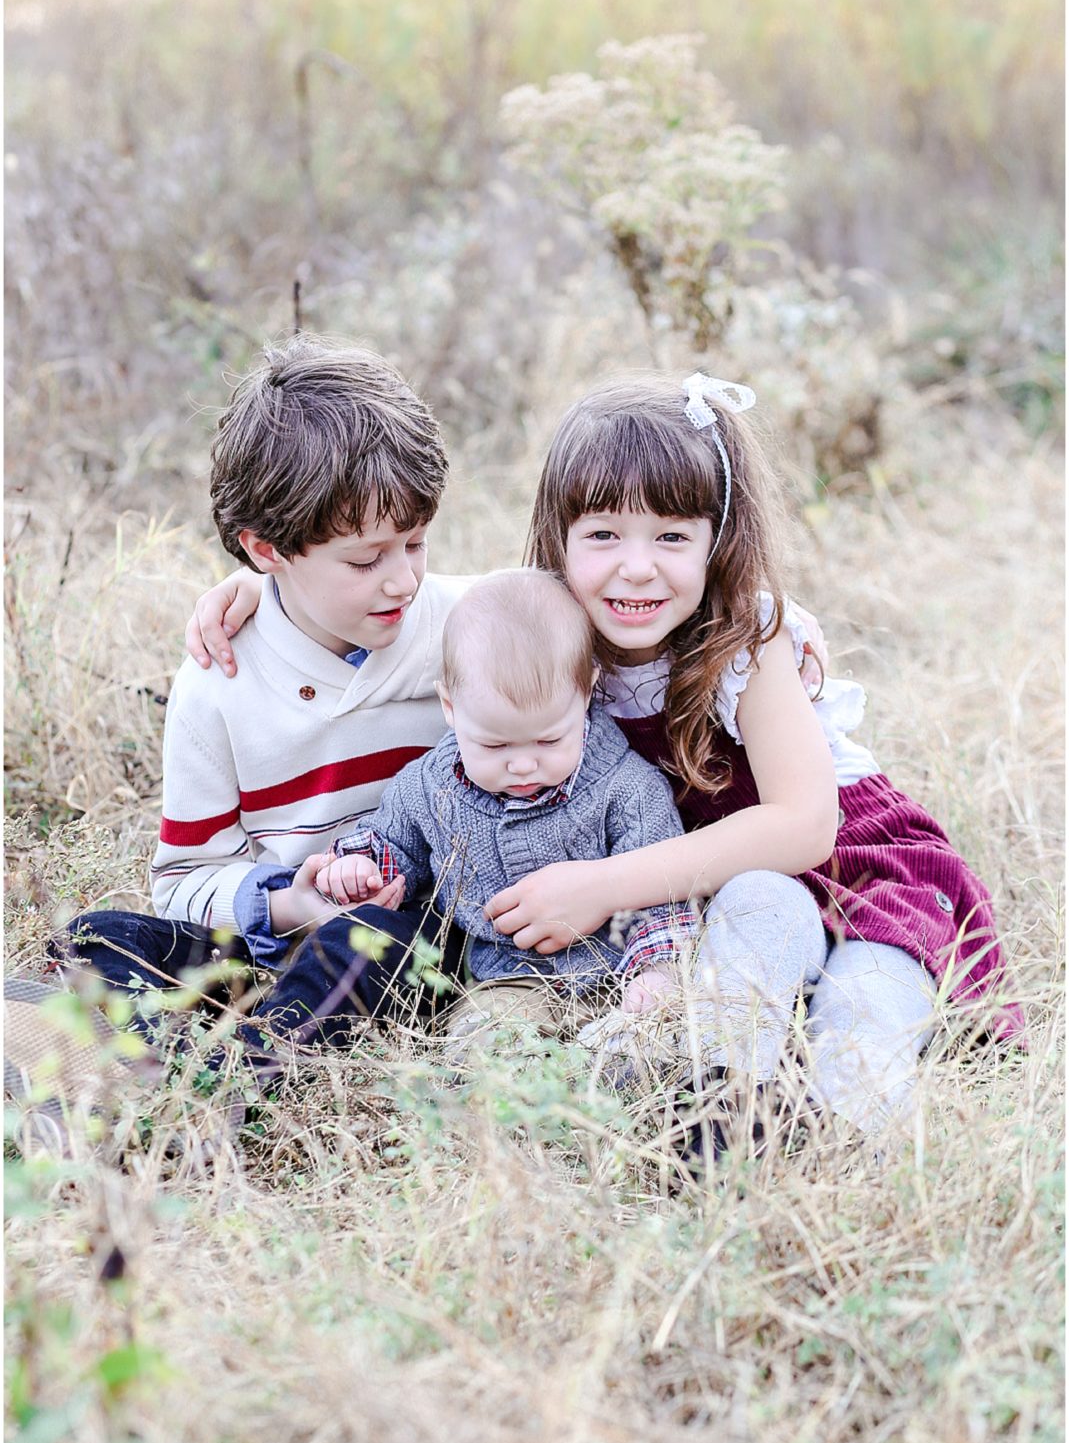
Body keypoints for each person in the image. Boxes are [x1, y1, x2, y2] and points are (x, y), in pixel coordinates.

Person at [186, 370, 1023, 1141]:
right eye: (603, 533)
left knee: (863, 1020)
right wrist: (267, 594)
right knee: (738, 978)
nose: (635, 567)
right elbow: (422, 603)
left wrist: (598, 887)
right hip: (723, 889)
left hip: (855, 870)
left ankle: (854, 1160)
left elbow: (806, 827)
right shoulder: (551, 631)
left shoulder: (747, 644)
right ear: (556, 541)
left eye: (670, 536)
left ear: (715, 540)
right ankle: (726, 1116)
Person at [54, 334, 478, 1081]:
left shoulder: (468, 628)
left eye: (414, 544)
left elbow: (568, 605)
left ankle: (243, 1076)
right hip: (276, 944)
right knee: (93, 938)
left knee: (364, 943)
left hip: (410, 939)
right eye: (365, 559)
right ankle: (159, 1049)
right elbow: (184, 879)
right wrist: (292, 905)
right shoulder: (218, 681)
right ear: (266, 550)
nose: (402, 581)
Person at [309, 568, 697, 1042]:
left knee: (642, 1051)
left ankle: (614, 1065)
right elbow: (395, 845)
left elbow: (662, 890)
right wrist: (359, 869)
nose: (523, 766)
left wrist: (657, 972)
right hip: (507, 982)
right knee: (485, 1047)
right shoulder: (434, 785)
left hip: (616, 977)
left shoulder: (628, 789)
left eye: (549, 739)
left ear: (587, 692)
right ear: (450, 708)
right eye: (495, 747)